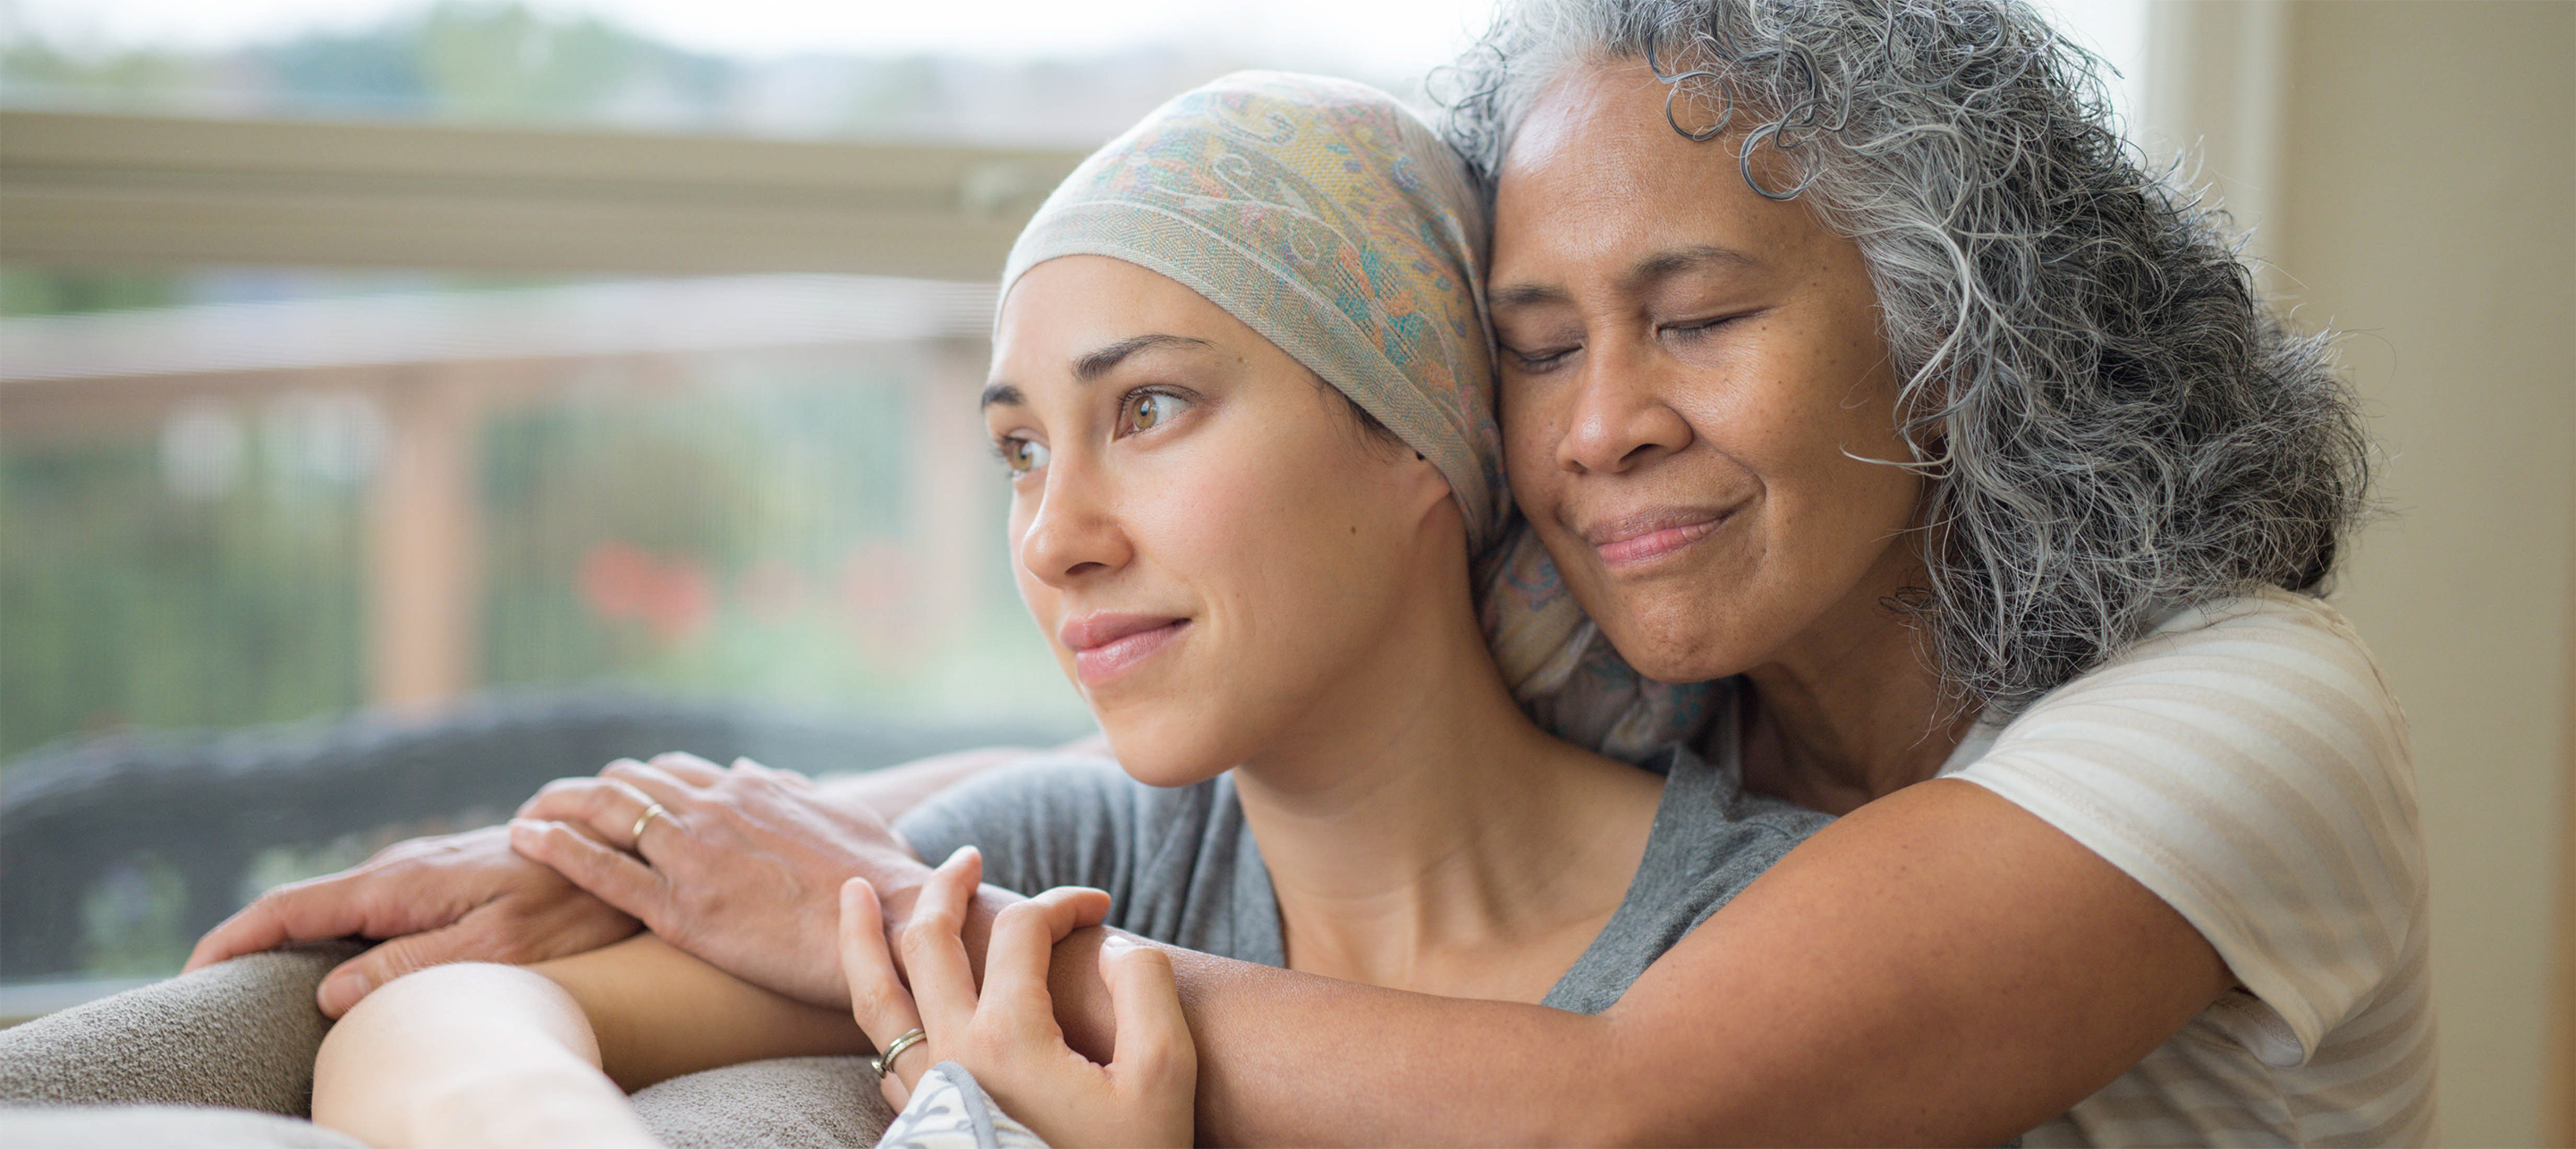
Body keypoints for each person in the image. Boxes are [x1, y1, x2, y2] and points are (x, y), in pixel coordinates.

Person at [197, 0, 2428, 1143]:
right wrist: (640, 838)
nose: (1594, 425)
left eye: (1703, 315)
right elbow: (1178, 768)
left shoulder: (2246, 712)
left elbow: (1625, 1100)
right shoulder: (1650, 647)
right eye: (1537, 344)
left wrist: (884, 912)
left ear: (1960, 322)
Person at [298, 71, 1827, 1149]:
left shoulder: (1761, 944)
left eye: (1149, 406)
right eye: (1020, 450)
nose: (1055, 536)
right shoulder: (1074, 869)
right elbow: (448, 1021)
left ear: (1423, 432)